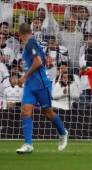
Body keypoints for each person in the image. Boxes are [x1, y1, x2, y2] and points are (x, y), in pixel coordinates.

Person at [15, 23, 68, 154]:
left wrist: (24, 77)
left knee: (47, 112)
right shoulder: (31, 44)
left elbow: (38, 62)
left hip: (41, 85)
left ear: (21, 35)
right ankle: (28, 144)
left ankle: (63, 133)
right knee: (25, 112)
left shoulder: (30, 43)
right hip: (30, 87)